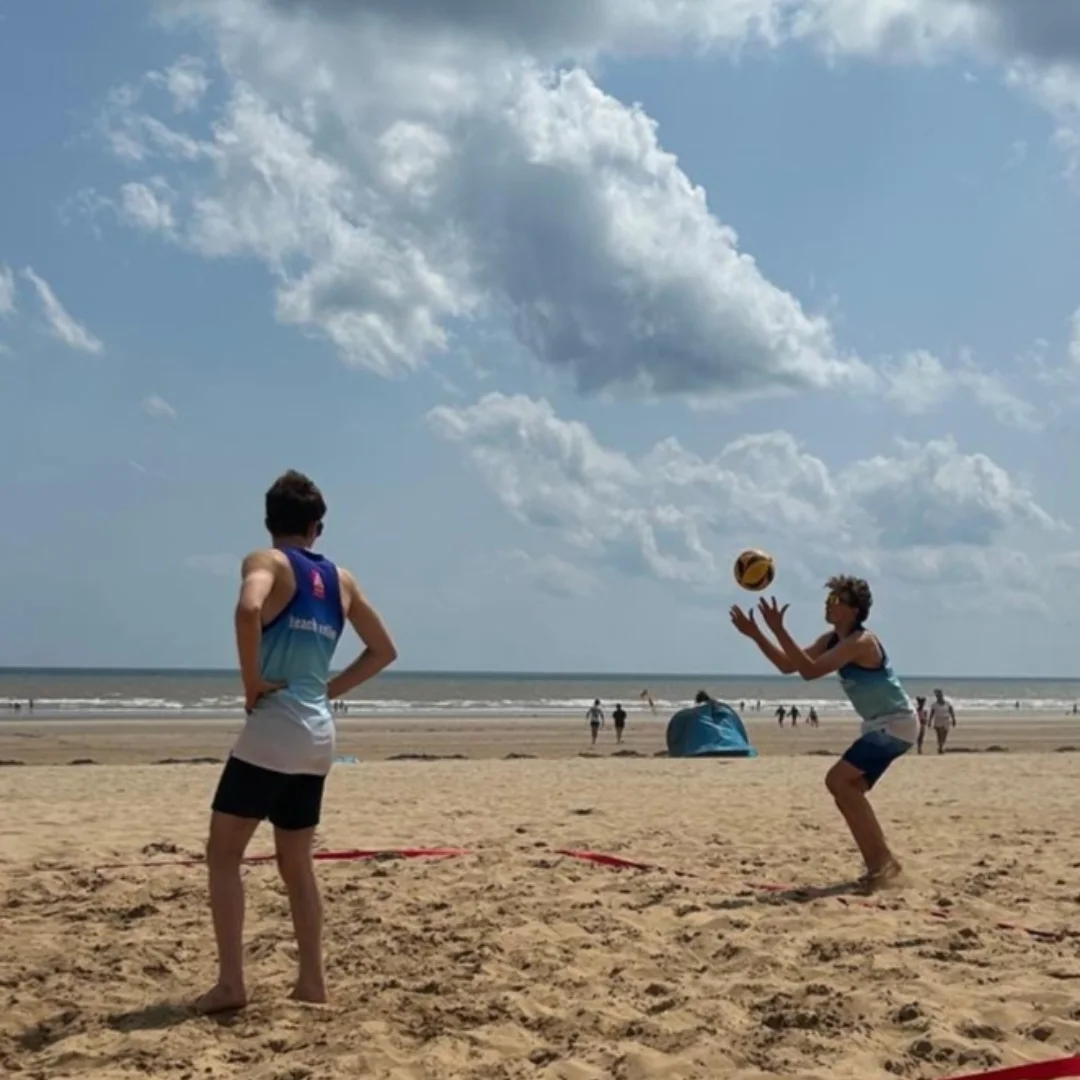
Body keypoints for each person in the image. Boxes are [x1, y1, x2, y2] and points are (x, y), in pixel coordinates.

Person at [197, 471, 398, 1014]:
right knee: (296, 862)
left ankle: (232, 984)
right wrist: (329, 689)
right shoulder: (342, 580)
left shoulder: (266, 562)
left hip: (273, 725)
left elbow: (246, 610)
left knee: (222, 853)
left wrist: (250, 683)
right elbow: (384, 651)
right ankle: (312, 982)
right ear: (317, 527)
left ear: (269, 522)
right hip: (317, 735)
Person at [730, 575, 916, 890]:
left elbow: (810, 672)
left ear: (854, 610)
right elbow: (789, 666)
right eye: (827, 600)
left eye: (835, 601)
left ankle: (884, 861)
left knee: (836, 780)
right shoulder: (831, 640)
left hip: (896, 723)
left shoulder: (861, 642)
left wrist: (778, 628)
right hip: (878, 724)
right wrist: (756, 634)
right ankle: (881, 866)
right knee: (848, 791)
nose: (827, 605)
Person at [927, 688, 956, 754]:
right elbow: (932, 713)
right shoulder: (934, 705)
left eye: (939, 695)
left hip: (946, 720)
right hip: (938, 720)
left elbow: (951, 711)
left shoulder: (947, 703)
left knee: (945, 734)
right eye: (937, 696)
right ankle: (940, 748)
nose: (938, 697)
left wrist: (953, 719)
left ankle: (941, 746)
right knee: (939, 735)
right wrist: (929, 721)